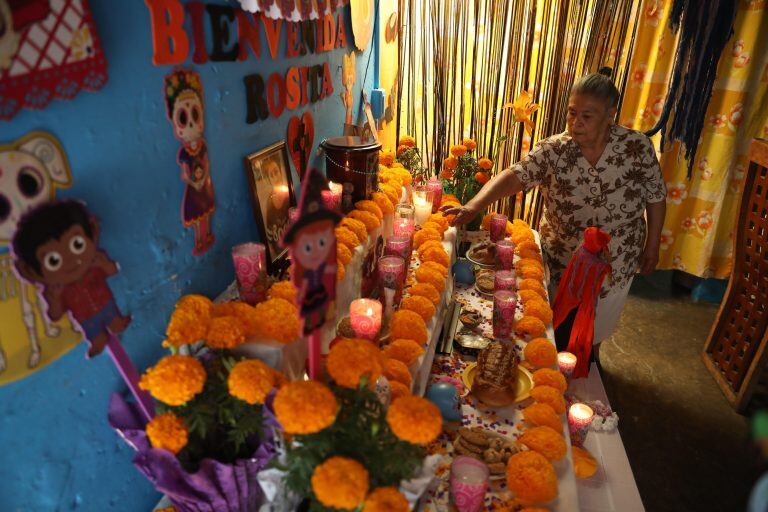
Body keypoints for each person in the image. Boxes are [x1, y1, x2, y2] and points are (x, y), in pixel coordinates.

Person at [444, 70, 667, 360]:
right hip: (562, 256)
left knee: (596, 330)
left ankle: (591, 367)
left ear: (610, 114)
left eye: (587, 116)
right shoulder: (554, 149)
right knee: (558, 326)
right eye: (572, 113)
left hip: (617, 257)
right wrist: (474, 205)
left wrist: (652, 245)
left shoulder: (636, 147)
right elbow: (515, 176)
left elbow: (655, 195)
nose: (576, 122)